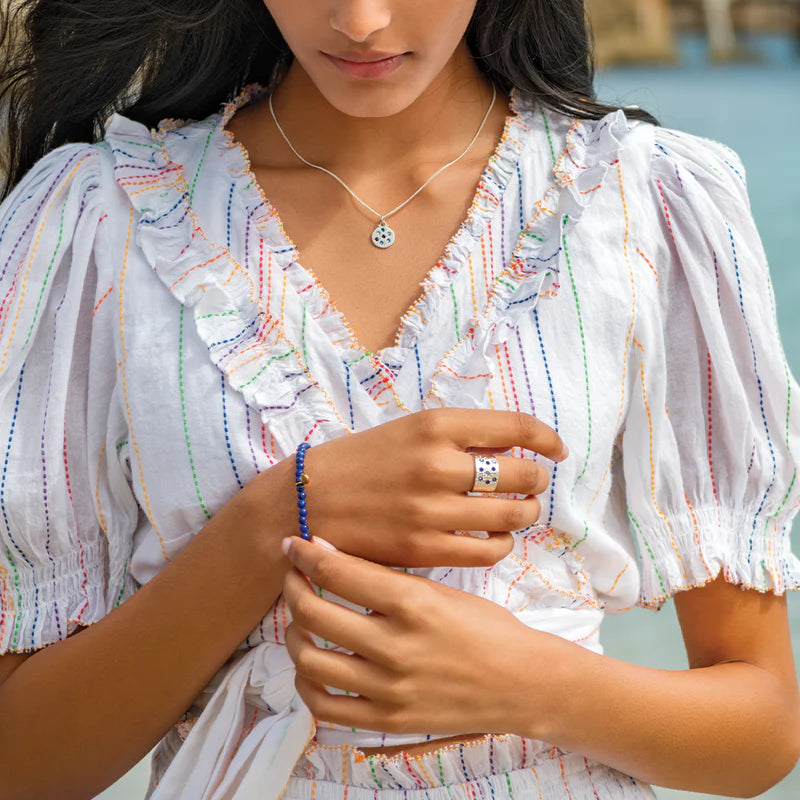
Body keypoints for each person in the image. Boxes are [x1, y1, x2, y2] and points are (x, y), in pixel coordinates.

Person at [0, 0, 799, 798]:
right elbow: (21, 763)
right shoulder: (104, 219)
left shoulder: (639, 202)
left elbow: (761, 733)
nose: (362, 21)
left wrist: (538, 686)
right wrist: (277, 519)